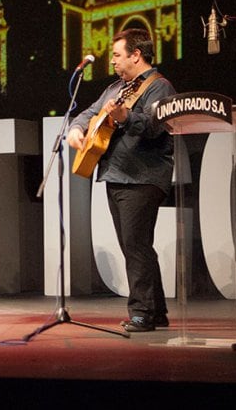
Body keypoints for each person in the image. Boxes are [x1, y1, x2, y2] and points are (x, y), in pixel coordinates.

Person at [66, 28, 175, 332]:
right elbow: (88, 112)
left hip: (143, 176)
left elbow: (157, 126)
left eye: (116, 55)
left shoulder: (159, 87)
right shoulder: (116, 88)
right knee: (136, 246)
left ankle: (140, 312)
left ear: (136, 55)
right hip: (117, 175)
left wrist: (128, 118)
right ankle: (156, 311)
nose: (112, 60)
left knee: (135, 245)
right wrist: (77, 129)